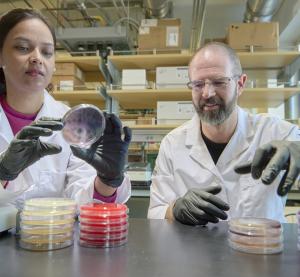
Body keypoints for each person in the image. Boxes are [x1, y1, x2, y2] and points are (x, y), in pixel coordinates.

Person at [148, 42, 300, 225]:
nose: (207, 93)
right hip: (195, 251)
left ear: (240, 84)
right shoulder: (172, 144)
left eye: (219, 82)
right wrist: (175, 210)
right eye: (197, 84)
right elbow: (156, 211)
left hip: (261, 250)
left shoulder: (277, 132)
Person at [0, 8, 132, 211]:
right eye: (23, 47)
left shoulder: (73, 123)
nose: (37, 58)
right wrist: (2, 173)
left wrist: (107, 181)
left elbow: (83, 200)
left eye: (47, 52)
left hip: (55, 240)